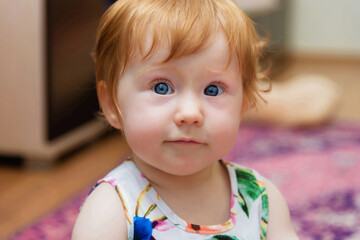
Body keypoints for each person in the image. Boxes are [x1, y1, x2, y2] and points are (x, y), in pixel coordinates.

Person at [72, 0, 299, 239]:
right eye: (161, 87)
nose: (190, 113)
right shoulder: (111, 211)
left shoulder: (260, 200)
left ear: (242, 106)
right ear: (111, 105)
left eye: (213, 90)